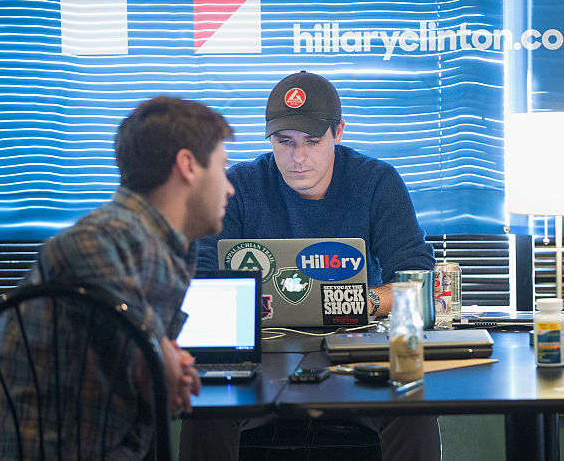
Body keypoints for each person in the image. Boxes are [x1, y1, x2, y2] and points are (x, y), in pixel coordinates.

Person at [182, 70, 440, 461]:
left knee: (412, 407)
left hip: (353, 356)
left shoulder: (376, 181)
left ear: (338, 133)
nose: (298, 157)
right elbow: (200, 278)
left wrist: (362, 302)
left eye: (312, 141)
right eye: (284, 142)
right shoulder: (238, 186)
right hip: (260, 360)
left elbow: (416, 279)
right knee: (206, 410)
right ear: (270, 139)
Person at [0, 96, 235, 459]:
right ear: (188, 165)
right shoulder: (114, 231)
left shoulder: (161, 244)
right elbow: (72, 247)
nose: (230, 187)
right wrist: (158, 349)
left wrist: (160, 358)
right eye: (223, 168)